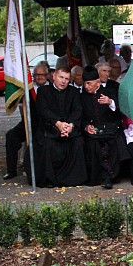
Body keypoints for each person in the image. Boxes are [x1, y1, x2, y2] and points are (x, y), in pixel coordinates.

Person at [34, 58, 86, 187]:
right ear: (54, 76)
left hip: (69, 129)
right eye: (61, 77)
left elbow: (77, 110)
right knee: (47, 144)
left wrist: (70, 126)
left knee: (78, 142)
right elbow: (44, 111)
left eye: (67, 79)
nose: (63, 81)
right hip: (50, 129)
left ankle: (73, 179)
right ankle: (50, 180)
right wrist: (58, 124)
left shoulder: (74, 92)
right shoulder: (43, 92)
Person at [82, 61, 125, 188]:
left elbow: (119, 111)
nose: (86, 87)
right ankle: (99, 177)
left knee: (111, 144)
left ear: (97, 82)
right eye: (85, 84)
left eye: (89, 83)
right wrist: (86, 126)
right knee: (94, 145)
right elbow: (81, 117)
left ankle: (110, 177)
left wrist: (110, 102)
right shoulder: (82, 97)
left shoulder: (109, 91)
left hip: (110, 129)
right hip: (93, 132)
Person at [4, 61, 49, 181]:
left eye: (42, 74)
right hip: (29, 121)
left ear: (47, 75)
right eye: (37, 75)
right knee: (11, 136)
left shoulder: (51, 87)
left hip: (46, 124)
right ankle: (11, 170)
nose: (39, 77)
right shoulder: (28, 89)